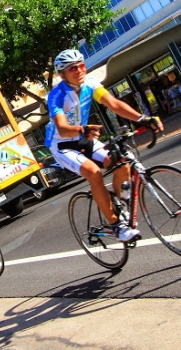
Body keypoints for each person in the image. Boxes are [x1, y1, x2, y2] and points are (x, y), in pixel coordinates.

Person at [45, 49, 163, 242]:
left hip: (83, 135)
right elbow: (62, 127)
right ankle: (117, 226)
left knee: (122, 162)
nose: (79, 70)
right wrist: (82, 130)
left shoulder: (90, 85)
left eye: (81, 65)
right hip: (62, 144)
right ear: (62, 74)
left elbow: (114, 104)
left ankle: (121, 209)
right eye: (73, 68)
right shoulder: (56, 96)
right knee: (94, 173)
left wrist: (143, 118)